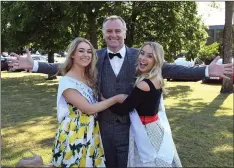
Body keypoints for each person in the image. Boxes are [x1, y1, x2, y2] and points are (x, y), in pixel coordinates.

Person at [10, 15, 233, 168]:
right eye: (109, 31)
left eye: (118, 31)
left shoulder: (141, 55)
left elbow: (170, 68)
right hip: (101, 131)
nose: (113, 35)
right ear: (104, 33)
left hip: (132, 131)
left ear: (124, 33)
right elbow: (66, 67)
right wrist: (35, 66)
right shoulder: (94, 57)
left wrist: (205, 70)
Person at [46, 37, 126, 167]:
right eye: (81, 51)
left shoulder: (89, 77)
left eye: (89, 52)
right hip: (75, 132)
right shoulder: (67, 81)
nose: (86, 55)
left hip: (91, 130)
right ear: (72, 54)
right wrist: (116, 99)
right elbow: (89, 108)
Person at [107, 41, 182, 167]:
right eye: (142, 53)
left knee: (147, 161)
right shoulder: (157, 79)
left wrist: (109, 100)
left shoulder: (144, 85)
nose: (143, 58)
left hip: (145, 131)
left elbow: (122, 110)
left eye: (150, 56)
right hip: (155, 126)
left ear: (156, 60)